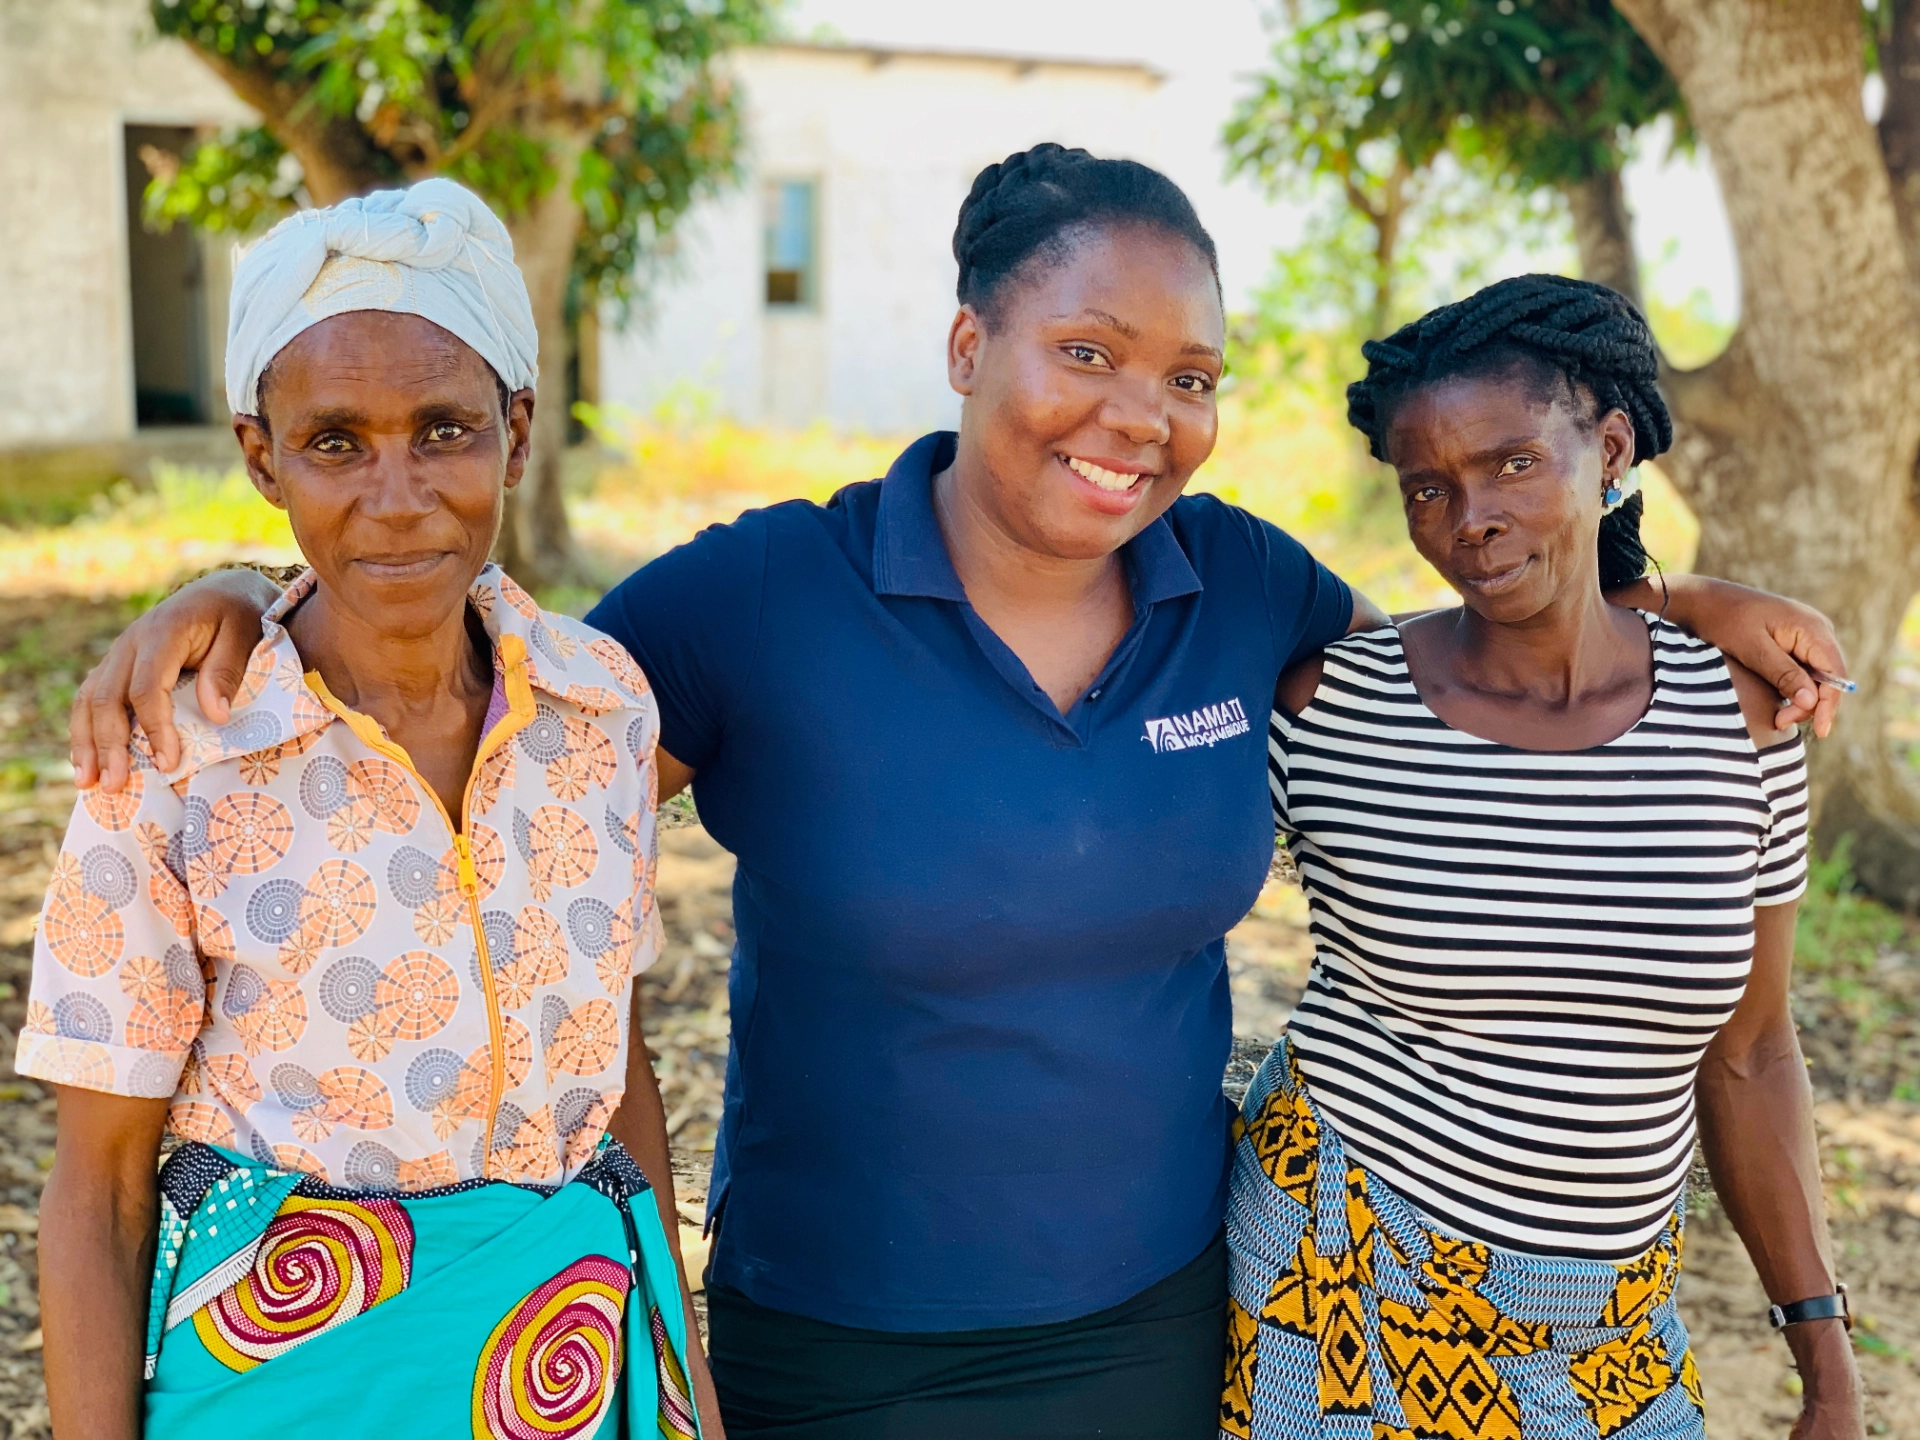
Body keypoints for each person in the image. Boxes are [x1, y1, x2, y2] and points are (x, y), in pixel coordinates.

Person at [66, 149, 1850, 1439]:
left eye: (1190, 375)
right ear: (969, 346)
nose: (1137, 413)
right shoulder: (766, 597)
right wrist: (243, 600)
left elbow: (1486, 630)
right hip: (829, 1337)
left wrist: (1677, 603)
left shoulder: (1239, 593)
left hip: (1163, 1319)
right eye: (1085, 351)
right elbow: (470, 675)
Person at [25, 180, 716, 1439]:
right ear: (261, 455)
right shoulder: (176, 746)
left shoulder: (600, 706)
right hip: (286, 1388)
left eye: (443, 430)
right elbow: (101, 1188)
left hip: (569, 1366)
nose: (396, 495)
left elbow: (615, 1076)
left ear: (515, 432)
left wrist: (684, 1382)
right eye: (336, 441)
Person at [1225, 276, 1862, 1440]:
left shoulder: (1743, 717)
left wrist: (1826, 1357)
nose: (1469, 517)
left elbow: (1755, 1048)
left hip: (1614, 1324)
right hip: (1339, 1270)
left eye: (1514, 462)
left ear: (1610, 448)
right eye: (1429, 485)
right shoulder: (1333, 710)